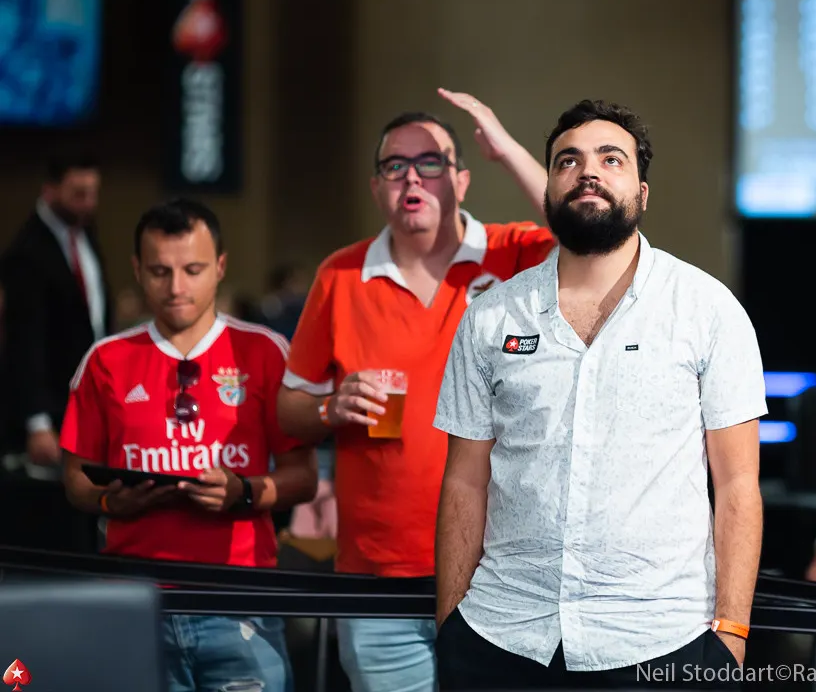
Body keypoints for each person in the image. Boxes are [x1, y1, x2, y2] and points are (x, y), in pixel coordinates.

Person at [433, 99, 766, 689]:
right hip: (502, 632)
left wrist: (733, 633)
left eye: (611, 159)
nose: (588, 171)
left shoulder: (707, 309)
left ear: (643, 192)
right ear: (548, 191)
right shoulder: (491, 316)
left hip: (661, 639)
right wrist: (450, 623)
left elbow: (738, 484)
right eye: (568, 161)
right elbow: (464, 480)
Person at [276, 90, 556, 692]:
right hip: (377, 578)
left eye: (431, 162)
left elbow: (586, 230)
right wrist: (330, 407)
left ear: (462, 180)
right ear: (377, 187)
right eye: (395, 165)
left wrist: (507, 149)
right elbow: (290, 411)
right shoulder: (341, 275)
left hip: (500, 573)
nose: (412, 177)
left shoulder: (512, 254)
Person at [58, 198, 318, 692]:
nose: (176, 287)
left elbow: (303, 477)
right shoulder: (105, 361)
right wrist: (112, 501)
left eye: (192, 270)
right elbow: (74, 478)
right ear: (137, 269)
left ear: (220, 266)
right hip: (135, 605)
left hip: (241, 603)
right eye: (160, 271)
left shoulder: (265, 352)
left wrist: (242, 492)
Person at [0, 156, 111, 553]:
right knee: (54, 521)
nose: (88, 203)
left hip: (89, 400)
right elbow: (24, 342)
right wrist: (37, 422)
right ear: (50, 191)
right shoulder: (27, 252)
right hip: (51, 408)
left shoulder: (86, 236)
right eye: (78, 194)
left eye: (93, 193)